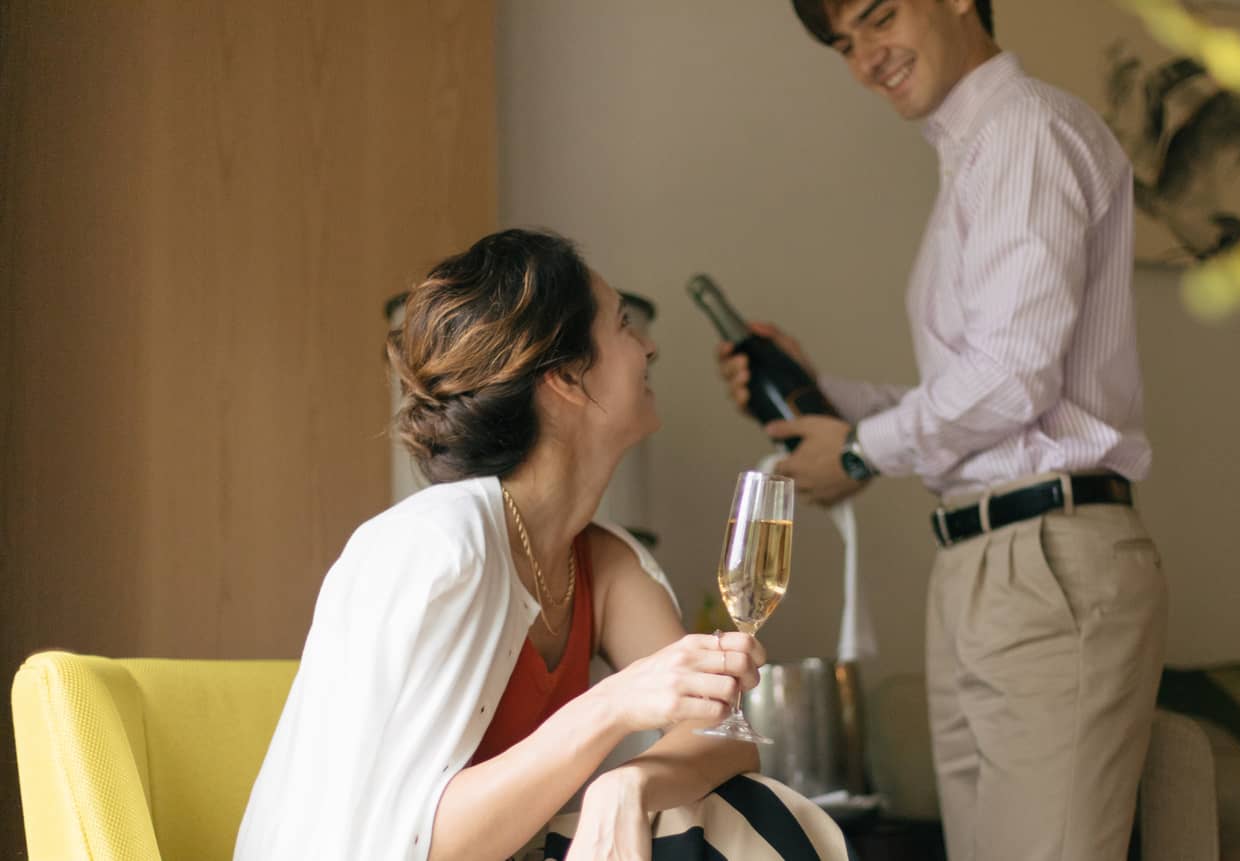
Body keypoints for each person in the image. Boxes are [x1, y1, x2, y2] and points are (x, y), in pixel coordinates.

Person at [714, 2, 1168, 858]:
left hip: (1044, 556)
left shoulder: (1026, 132)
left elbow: (1012, 377)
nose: (865, 59)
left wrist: (857, 452)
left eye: (879, 17)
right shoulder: (978, 154)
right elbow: (983, 389)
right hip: (987, 560)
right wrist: (820, 397)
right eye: (845, 45)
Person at [238, 229, 848, 860]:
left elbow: (724, 736)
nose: (649, 346)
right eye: (624, 325)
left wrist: (628, 785)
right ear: (564, 376)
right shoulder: (436, 547)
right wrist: (611, 705)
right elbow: (413, 844)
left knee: (736, 804)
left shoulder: (601, 561)